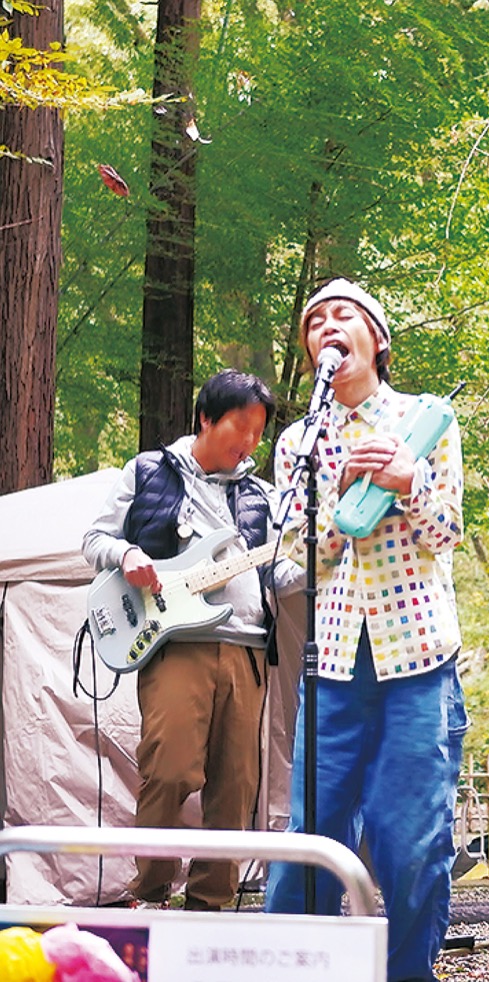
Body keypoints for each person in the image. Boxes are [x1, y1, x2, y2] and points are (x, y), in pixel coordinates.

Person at [264, 279, 466, 982]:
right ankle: (297, 974)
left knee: (408, 839)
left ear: (376, 339)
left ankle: (407, 973)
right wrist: (341, 493)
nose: (327, 326)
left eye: (342, 315)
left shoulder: (425, 418)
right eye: (315, 321)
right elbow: (301, 557)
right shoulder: (299, 442)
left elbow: (448, 533)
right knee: (310, 838)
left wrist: (410, 483)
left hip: (417, 658)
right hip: (332, 663)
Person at [82, 369, 300, 910]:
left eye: (258, 433)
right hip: (174, 646)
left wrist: (321, 560)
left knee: (236, 786)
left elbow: (279, 574)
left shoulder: (262, 497)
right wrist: (127, 554)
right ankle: (151, 891)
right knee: (170, 768)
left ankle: (211, 905)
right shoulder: (148, 471)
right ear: (205, 418)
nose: (249, 442)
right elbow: (95, 539)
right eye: (240, 427)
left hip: (248, 650)